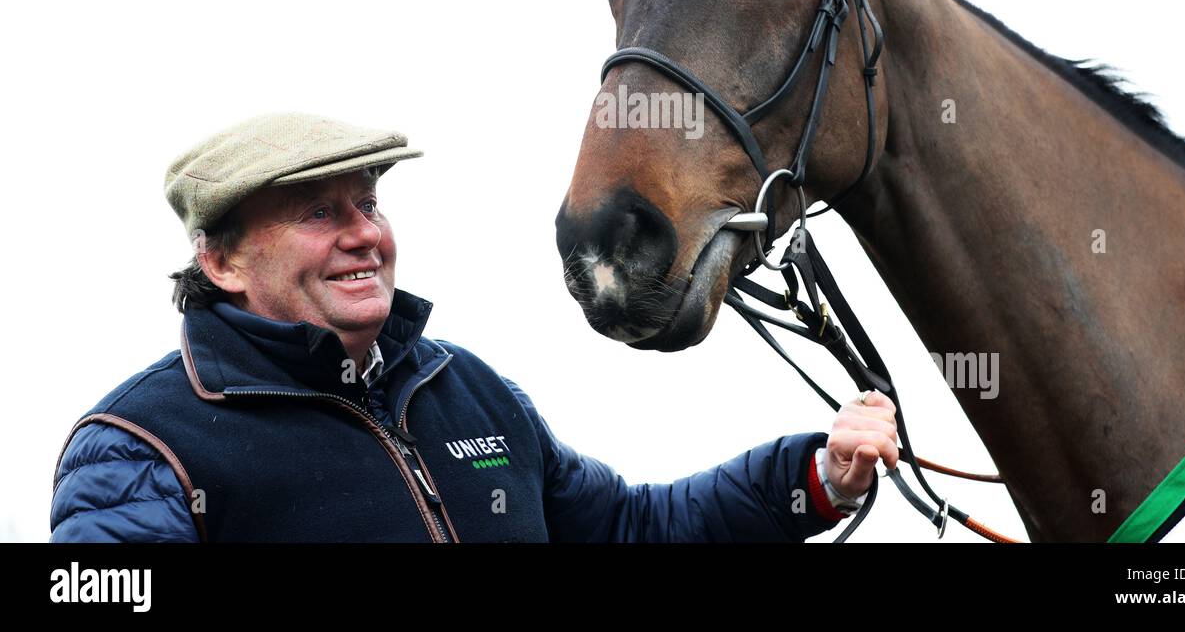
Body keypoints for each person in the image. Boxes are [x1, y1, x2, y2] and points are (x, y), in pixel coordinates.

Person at [49, 113, 899, 542]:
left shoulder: (465, 388)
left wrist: (817, 472)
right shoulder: (137, 443)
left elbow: (632, 531)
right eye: (318, 212)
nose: (363, 235)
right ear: (222, 259)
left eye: (369, 204)